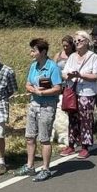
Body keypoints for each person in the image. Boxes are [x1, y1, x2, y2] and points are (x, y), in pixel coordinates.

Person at [15, 38, 63, 182]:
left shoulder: (52, 67)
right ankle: (30, 166)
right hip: (34, 104)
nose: (31, 53)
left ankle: (46, 168)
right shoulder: (33, 66)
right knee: (30, 137)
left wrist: (42, 92)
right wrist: (33, 90)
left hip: (47, 106)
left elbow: (58, 88)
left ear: (42, 52)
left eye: (34, 50)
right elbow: (28, 84)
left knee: (44, 138)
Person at [60, 30, 97, 160]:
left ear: (87, 42)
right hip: (73, 90)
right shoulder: (72, 57)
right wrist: (69, 75)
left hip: (87, 93)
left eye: (80, 40)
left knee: (85, 119)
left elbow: (95, 76)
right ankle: (71, 144)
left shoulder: (93, 56)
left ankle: (85, 146)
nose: (77, 43)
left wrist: (80, 75)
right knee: (72, 117)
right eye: (76, 41)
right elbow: (64, 72)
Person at [51, 35, 75, 146]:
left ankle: (71, 133)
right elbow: (52, 67)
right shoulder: (58, 55)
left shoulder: (75, 56)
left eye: (67, 46)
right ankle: (57, 132)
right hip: (59, 86)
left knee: (69, 110)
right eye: (63, 46)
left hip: (70, 86)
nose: (65, 48)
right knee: (58, 110)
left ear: (71, 45)